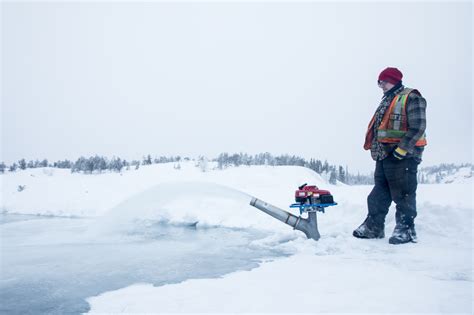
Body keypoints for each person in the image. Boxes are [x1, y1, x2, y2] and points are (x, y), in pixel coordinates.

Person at [353, 67, 427, 245]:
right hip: (384, 155)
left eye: (384, 81)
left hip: (403, 156)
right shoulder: (387, 100)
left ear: (394, 80)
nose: (381, 85)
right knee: (378, 194)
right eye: (379, 82)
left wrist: (401, 151)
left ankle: (406, 230)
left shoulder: (411, 97)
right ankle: (374, 227)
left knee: (404, 193)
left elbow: (418, 127)